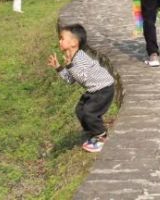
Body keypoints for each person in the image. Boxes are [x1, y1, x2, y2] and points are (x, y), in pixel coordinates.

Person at [48, 24, 116, 153]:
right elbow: (71, 80)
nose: (59, 41)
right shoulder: (72, 59)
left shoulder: (81, 58)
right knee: (80, 110)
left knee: (89, 112)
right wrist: (59, 67)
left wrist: (70, 66)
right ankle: (93, 132)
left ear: (74, 43)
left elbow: (83, 77)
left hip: (104, 88)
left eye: (62, 38)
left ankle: (102, 137)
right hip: (94, 90)